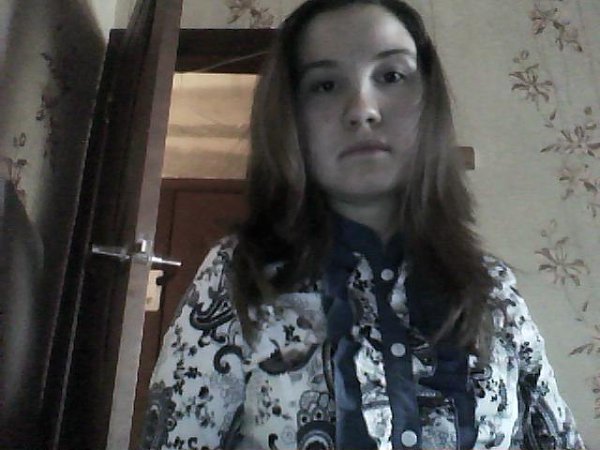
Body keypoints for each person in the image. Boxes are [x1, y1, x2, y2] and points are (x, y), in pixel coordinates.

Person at [138, 1, 585, 449]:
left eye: (391, 76)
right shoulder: (238, 275)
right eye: (326, 85)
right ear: (293, 117)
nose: (362, 109)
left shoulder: (492, 288)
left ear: (428, 103)